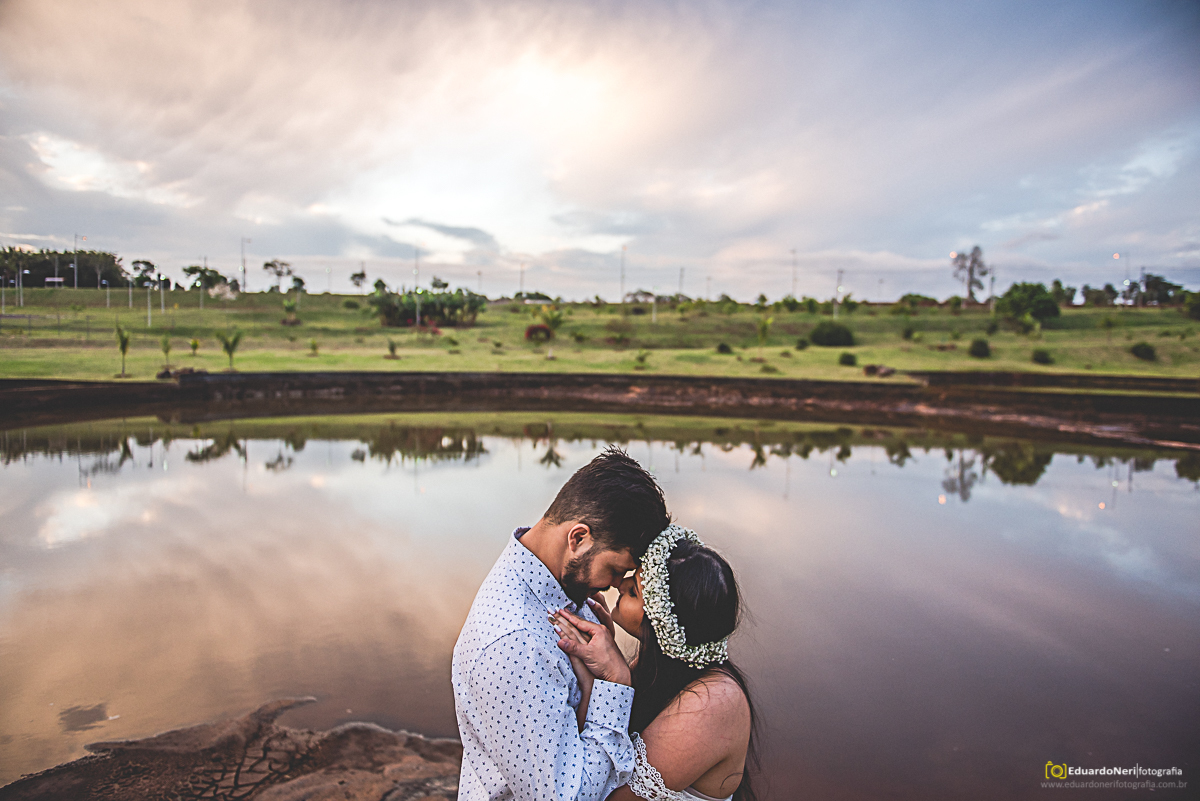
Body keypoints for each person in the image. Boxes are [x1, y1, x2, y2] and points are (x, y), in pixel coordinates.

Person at [452, 447, 670, 800]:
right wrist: (615, 684)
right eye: (615, 569)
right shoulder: (515, 643)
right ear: (578, 538)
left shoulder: (557, 590)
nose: (615, 585)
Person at [553, 525, 759, 801]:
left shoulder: (714, 702)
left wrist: (605, 683)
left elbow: (596, 796)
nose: (620, 584)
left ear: (661, 624)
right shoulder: (661, 665)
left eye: (635, 591)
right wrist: (607, 658)